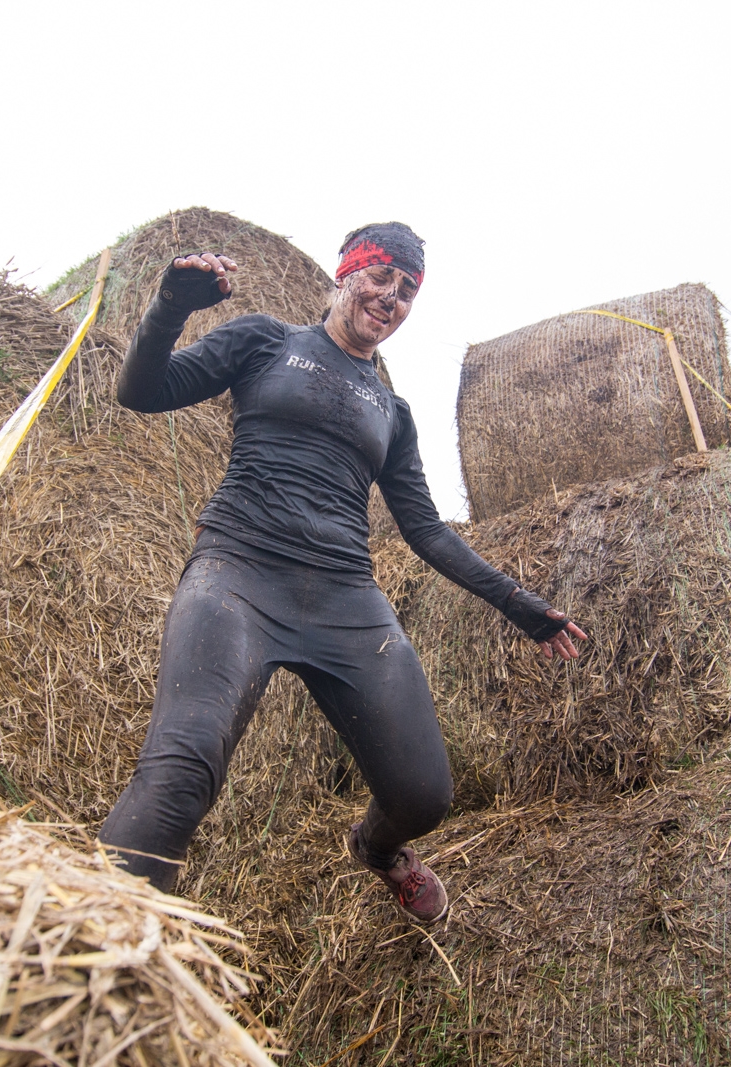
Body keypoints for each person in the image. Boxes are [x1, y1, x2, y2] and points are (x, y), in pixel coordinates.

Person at [98, 222, 586, 923]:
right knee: (182, 770)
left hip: (343, 596)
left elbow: (423, 530)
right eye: (381, 277)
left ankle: (378, 849)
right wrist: (171, 303)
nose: (392, 299)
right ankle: (98, 946)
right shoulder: (265, 341)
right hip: (238, 572)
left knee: (423, 795)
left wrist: (517, 602)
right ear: (345, 273)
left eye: (408, 290)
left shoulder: (392, 410)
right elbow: (143, 390)